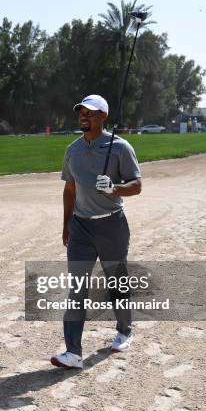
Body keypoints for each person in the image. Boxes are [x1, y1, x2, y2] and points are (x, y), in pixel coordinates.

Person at [51, 94, 142, 370]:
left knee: (116, 282)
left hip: (111, 224)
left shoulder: (120, 148)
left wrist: (114, 188)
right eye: (81, 112)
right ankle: (73, 352)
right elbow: (69, 189)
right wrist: (67, 223)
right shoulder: (73, 150)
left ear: (103, 116)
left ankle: (125, 331)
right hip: (81, 227)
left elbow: (137, 185)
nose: (83, 116)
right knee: (77, 288)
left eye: (90, 112)